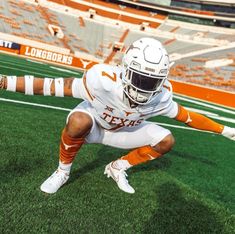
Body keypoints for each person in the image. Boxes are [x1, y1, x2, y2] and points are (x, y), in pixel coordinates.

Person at [0, 37, 234, 194]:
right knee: (78, 121)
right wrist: (2, 81)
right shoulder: (103, 81)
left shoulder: (161, 96)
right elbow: (49, 86)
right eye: (141, 78)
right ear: (125, 70)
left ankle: (117, 167)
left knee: (167, 140)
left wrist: (224, 130)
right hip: (94, 126)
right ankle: (62, 171)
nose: (146, 87)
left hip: (123, 133)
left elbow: (188, 117)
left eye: (153, 81)